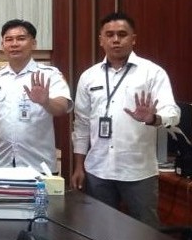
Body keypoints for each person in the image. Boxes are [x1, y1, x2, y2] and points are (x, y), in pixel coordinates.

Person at [71, 12, 180, 228]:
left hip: (138, 172)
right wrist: (78, 166)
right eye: (109, 35)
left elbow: (173, 114)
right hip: (97, 170)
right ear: (101, 40)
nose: (116, 40)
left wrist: (153, 118)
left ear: (133, 39)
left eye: (122, 34)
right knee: (99, 232)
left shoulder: (152, 73)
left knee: (145, 233)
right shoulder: (89, 76)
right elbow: (81, 124)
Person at [0, 20, 72, 171]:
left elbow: (62, 107)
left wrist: (46, 102)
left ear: (33, 44)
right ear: (2, 45)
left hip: (39, 166)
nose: (14, 44)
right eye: (9, 39)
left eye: (21, 39)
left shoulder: (50, 74)